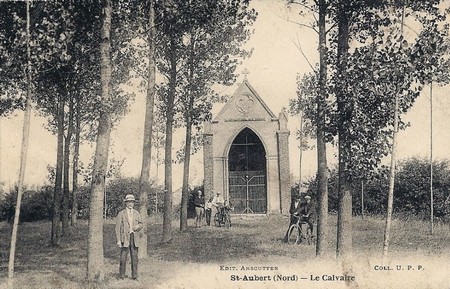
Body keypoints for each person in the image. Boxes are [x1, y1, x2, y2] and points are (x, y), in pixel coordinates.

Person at [115, 194, 144, 280]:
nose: (130, 204)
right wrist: (119, 240)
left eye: (132, 202)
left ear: (134, 203)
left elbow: (141, 224)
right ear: (126, 203)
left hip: (134, 238)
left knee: (134, 258)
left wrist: (138, 226)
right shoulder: (121, 213)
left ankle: (134, 276)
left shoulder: (136, 213)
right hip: (125, 238)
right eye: (129, 202)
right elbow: (117, 228)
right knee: (123, 258)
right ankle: (121, 276)